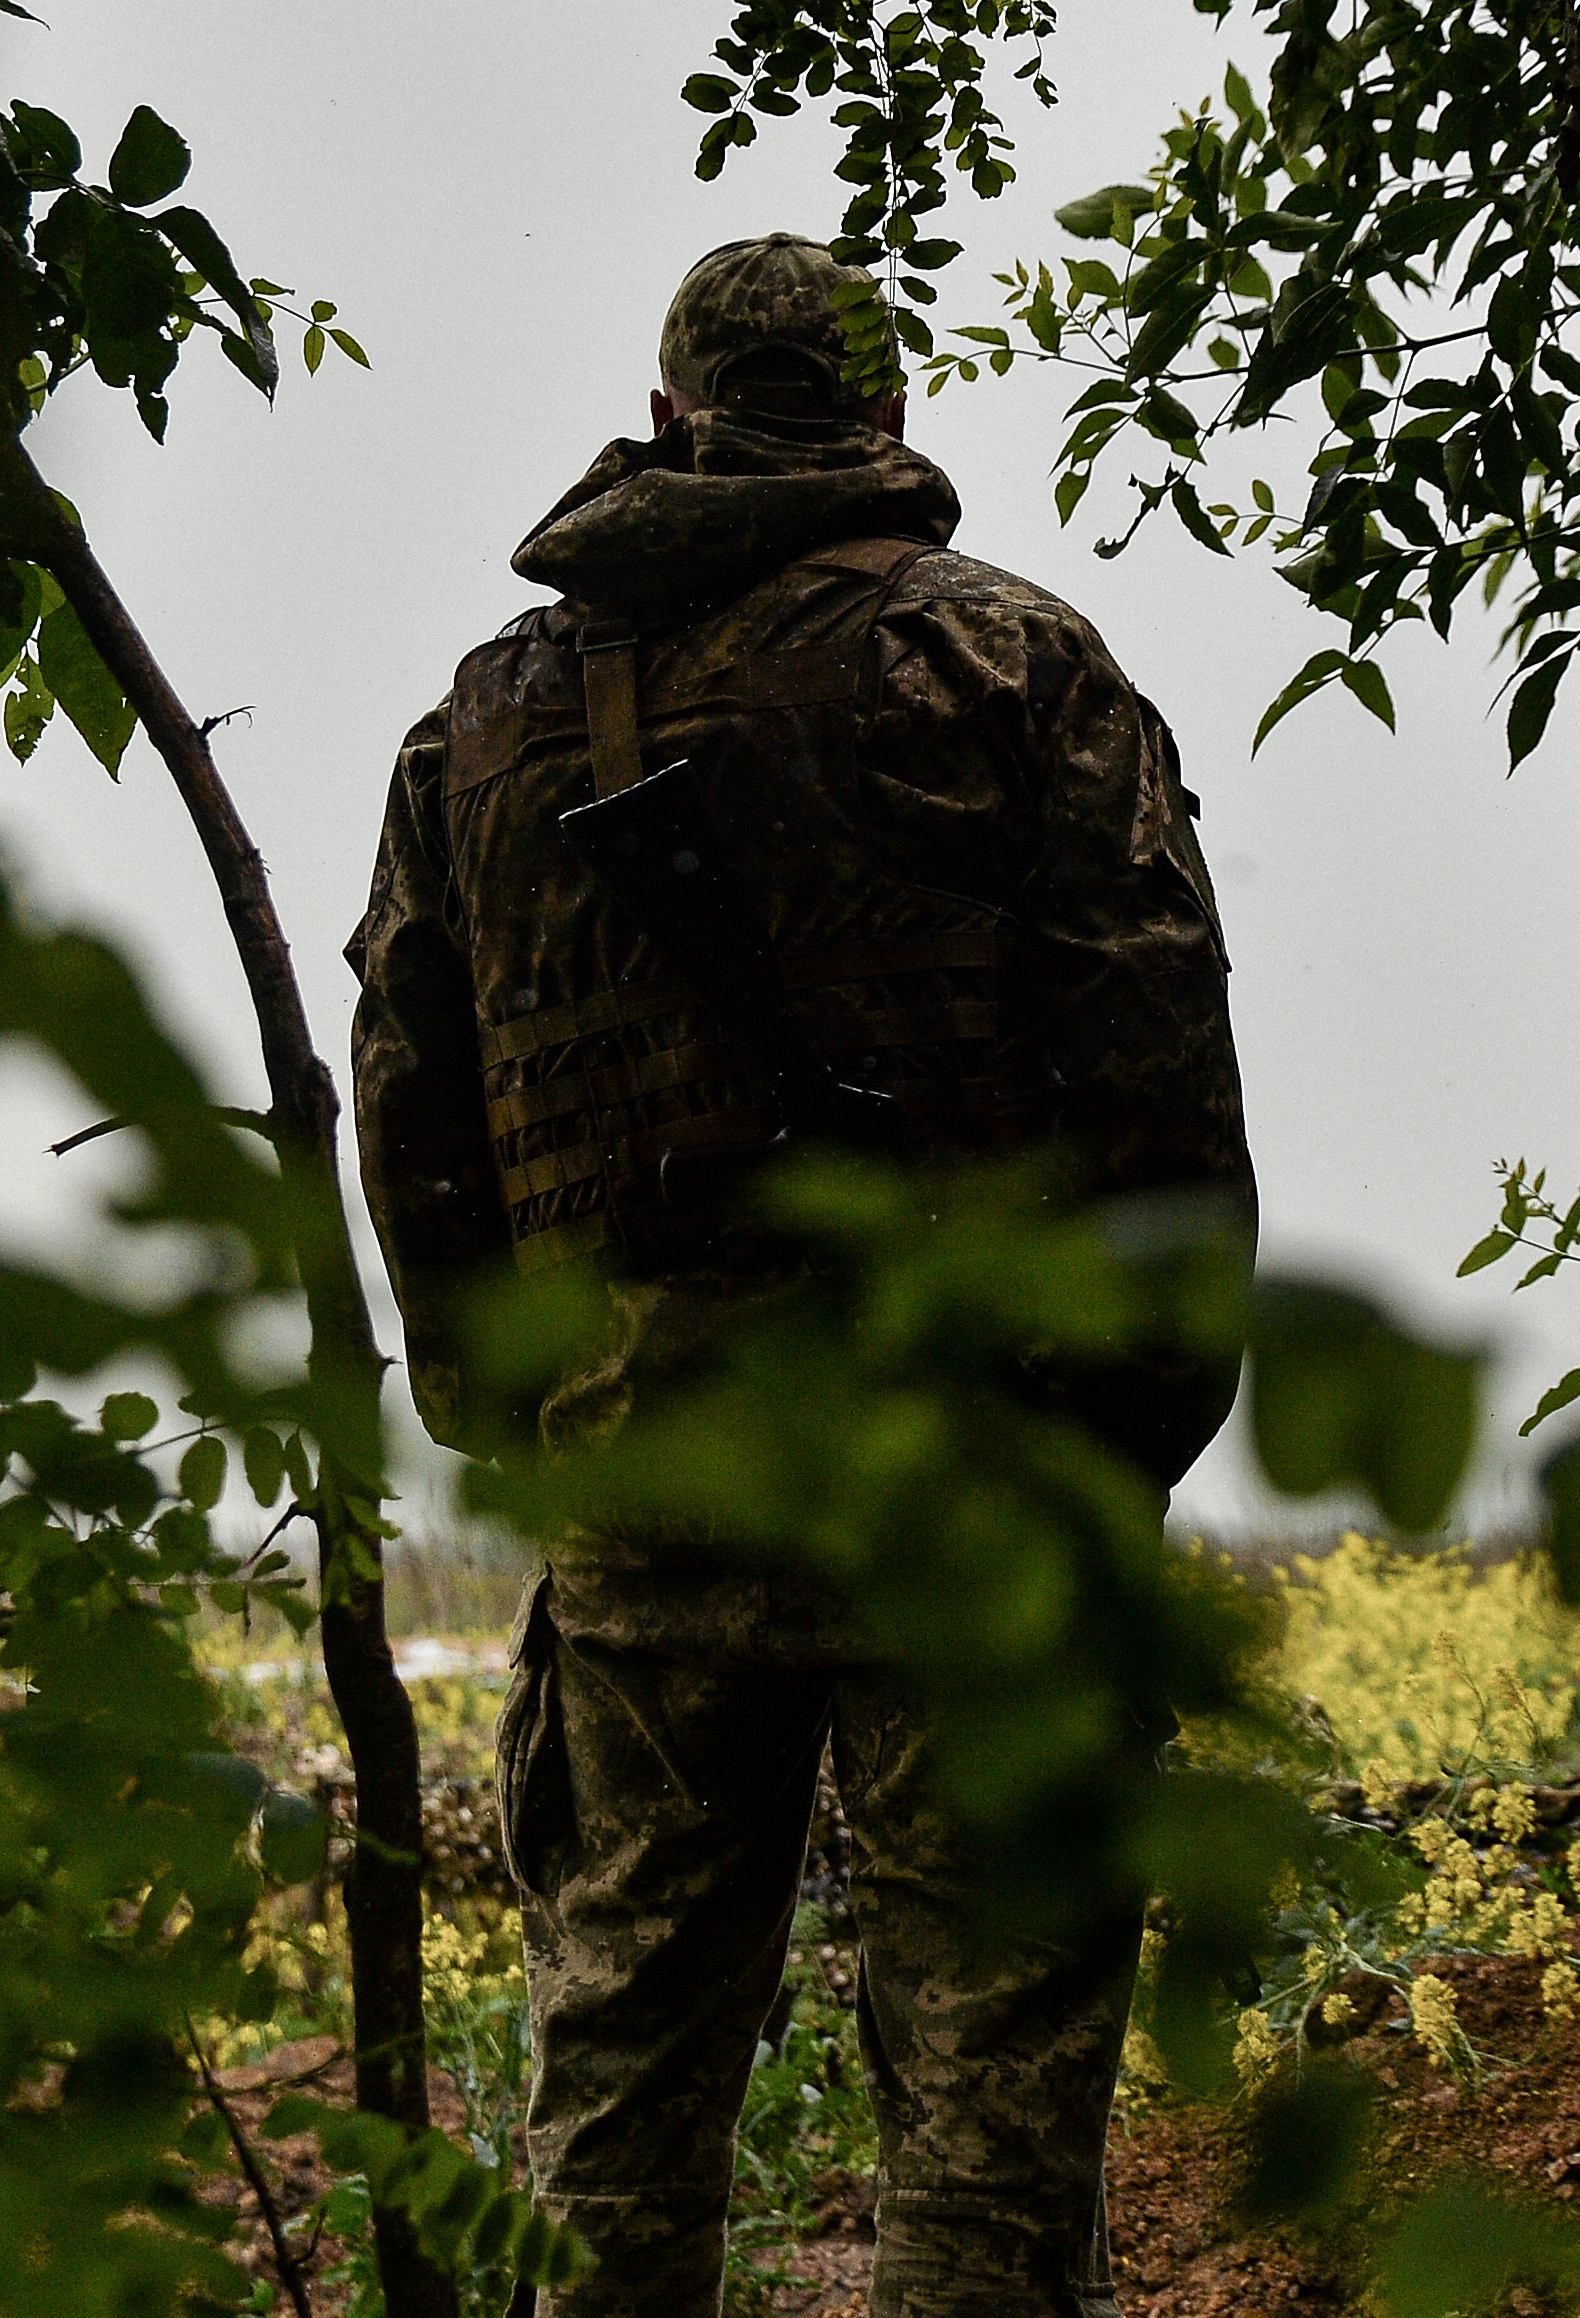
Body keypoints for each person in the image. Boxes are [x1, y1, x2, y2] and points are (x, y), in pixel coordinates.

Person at [347, 233, 1255, 2318]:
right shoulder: (1013, 665)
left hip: (650, 1478)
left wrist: (525, 1410)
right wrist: (1126, 1424)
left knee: (619, 2084)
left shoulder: (477, 727)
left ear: (670, 412)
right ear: (890, 413)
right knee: (988, 2101)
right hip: (981, 1476)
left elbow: (416, 1095)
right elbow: (1156, 1064)